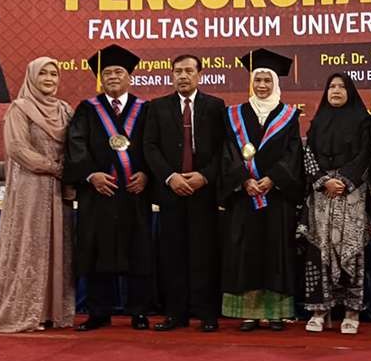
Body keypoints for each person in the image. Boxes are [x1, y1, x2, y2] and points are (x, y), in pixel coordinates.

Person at [0, 58, 74, 332]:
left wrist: (72, 171)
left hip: (58, 190)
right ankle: (27, 311)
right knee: (32, 241)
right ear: (31, 76)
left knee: (56, 245)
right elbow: (18, 148)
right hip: (32, 186)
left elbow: (75, 144)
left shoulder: (65, 109)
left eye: (54, 73)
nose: (50, 78)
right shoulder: (20, 109)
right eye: (44, 73)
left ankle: (53, 312)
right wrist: (56, 168)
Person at [63, 44, 153, 332]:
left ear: (130, 77)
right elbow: (75, 146)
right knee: (95, 248)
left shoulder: (145, 109)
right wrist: (91, 175)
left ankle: (139, 311)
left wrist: (147, 174)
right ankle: (98, 312)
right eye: (107, 72)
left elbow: (154, 147)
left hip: (133, 193)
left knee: (137, 250)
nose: (113, 76)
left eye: (118, 71)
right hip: (98, 195)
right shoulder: (88, 109)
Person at [219, 48, 303, 332]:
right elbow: (229, 152)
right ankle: (250, 313)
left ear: (276, 83)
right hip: (245, 198)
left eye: (267, 80)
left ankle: (276, 314)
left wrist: (274, 179)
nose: (263, 85)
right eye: (258, 80)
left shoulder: (289, 115)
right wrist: (244, 180)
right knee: (246, 252)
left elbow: (294, 153)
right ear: (251, 83)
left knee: (275, 252)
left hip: (276, 198)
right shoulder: (233, 115)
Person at [143, 55, 227, 333]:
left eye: (188, 71)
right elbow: (150, 147)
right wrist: (170, 177)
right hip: (171, 192)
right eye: (178, 71)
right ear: (171, 75)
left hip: (204, 192)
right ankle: (175, 314)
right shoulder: (157, 107)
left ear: (199, 75)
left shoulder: (215, 106)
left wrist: (205, 176)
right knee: (173, 255)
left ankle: (207, 314)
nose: (183, 76)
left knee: (204, 255)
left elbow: (223, 150)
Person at [299, 73, 371, 335]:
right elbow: (308, 155)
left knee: (351, 249)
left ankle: (352, 310)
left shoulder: (364, 121)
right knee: (320, 250)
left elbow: (367, 153)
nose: (336, 90)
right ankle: (320, 310)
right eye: (331, 86)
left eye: (342, 87)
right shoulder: (318, 121)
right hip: (322, 194)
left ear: (350, 91)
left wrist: (344, 180)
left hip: (352, 193)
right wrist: (323, 181)